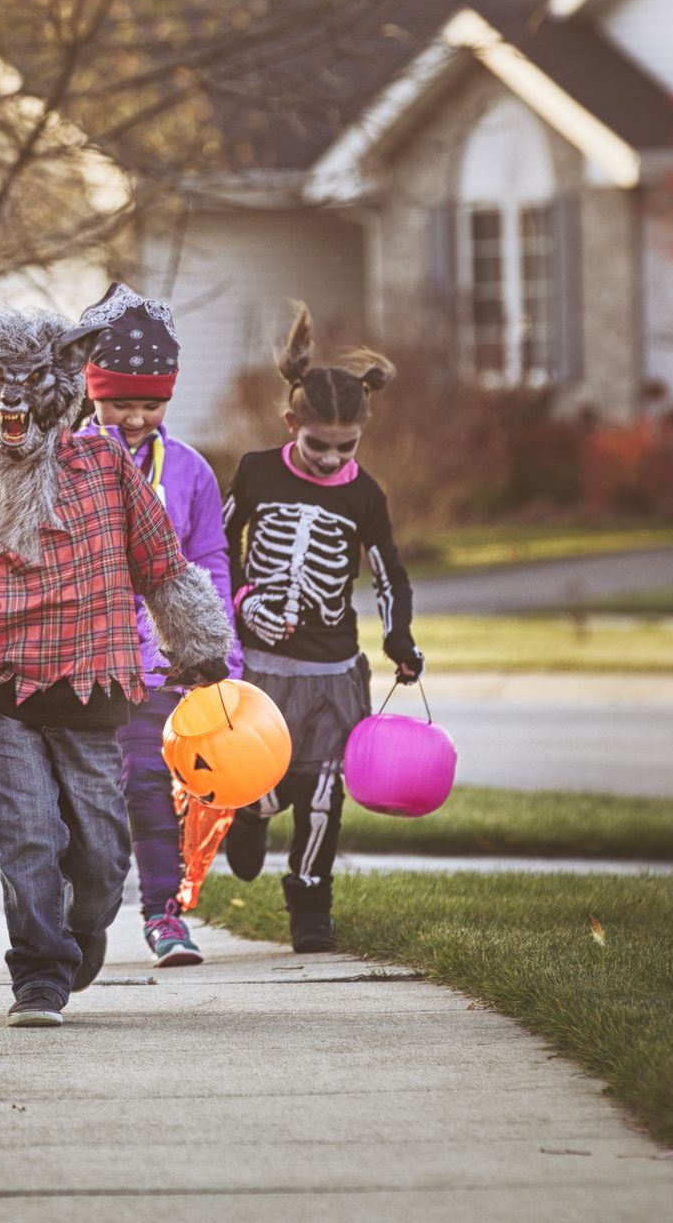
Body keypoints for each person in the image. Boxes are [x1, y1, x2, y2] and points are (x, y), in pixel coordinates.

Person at [0, 296, 234, 1028]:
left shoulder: (105, 464)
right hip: (4, 694)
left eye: (30, 388)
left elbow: (163, 564)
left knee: (103, 859)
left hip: (94, 689)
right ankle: (38, 977)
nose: (13, 406)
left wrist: (199, 649)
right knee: (28, 837)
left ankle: (80, 932)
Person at [220, 305, 423, 953]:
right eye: (318, 445)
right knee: (262, 780)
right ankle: (248, 815)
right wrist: (241, 602)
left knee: (322, 792)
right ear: (291, 424)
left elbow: (388, 571)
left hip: (333, 672)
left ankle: (310, 898)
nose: (333, 459)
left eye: (347, 447)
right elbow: (216, 548)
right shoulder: (256, 471)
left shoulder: (364, 494)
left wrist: (400, 639)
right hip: (261, 667)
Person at [73, 282, 239, 967]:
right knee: (82, 803)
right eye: (120, 402)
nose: (136, 417)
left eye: (150, 403)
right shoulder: (65, 460)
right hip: (77, 664)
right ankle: (77, 918)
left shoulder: (191, 472)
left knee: (148, 785)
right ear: (91, 393)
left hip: (155, 667)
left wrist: (217, 656)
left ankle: (163, 915)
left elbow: (209, 563)